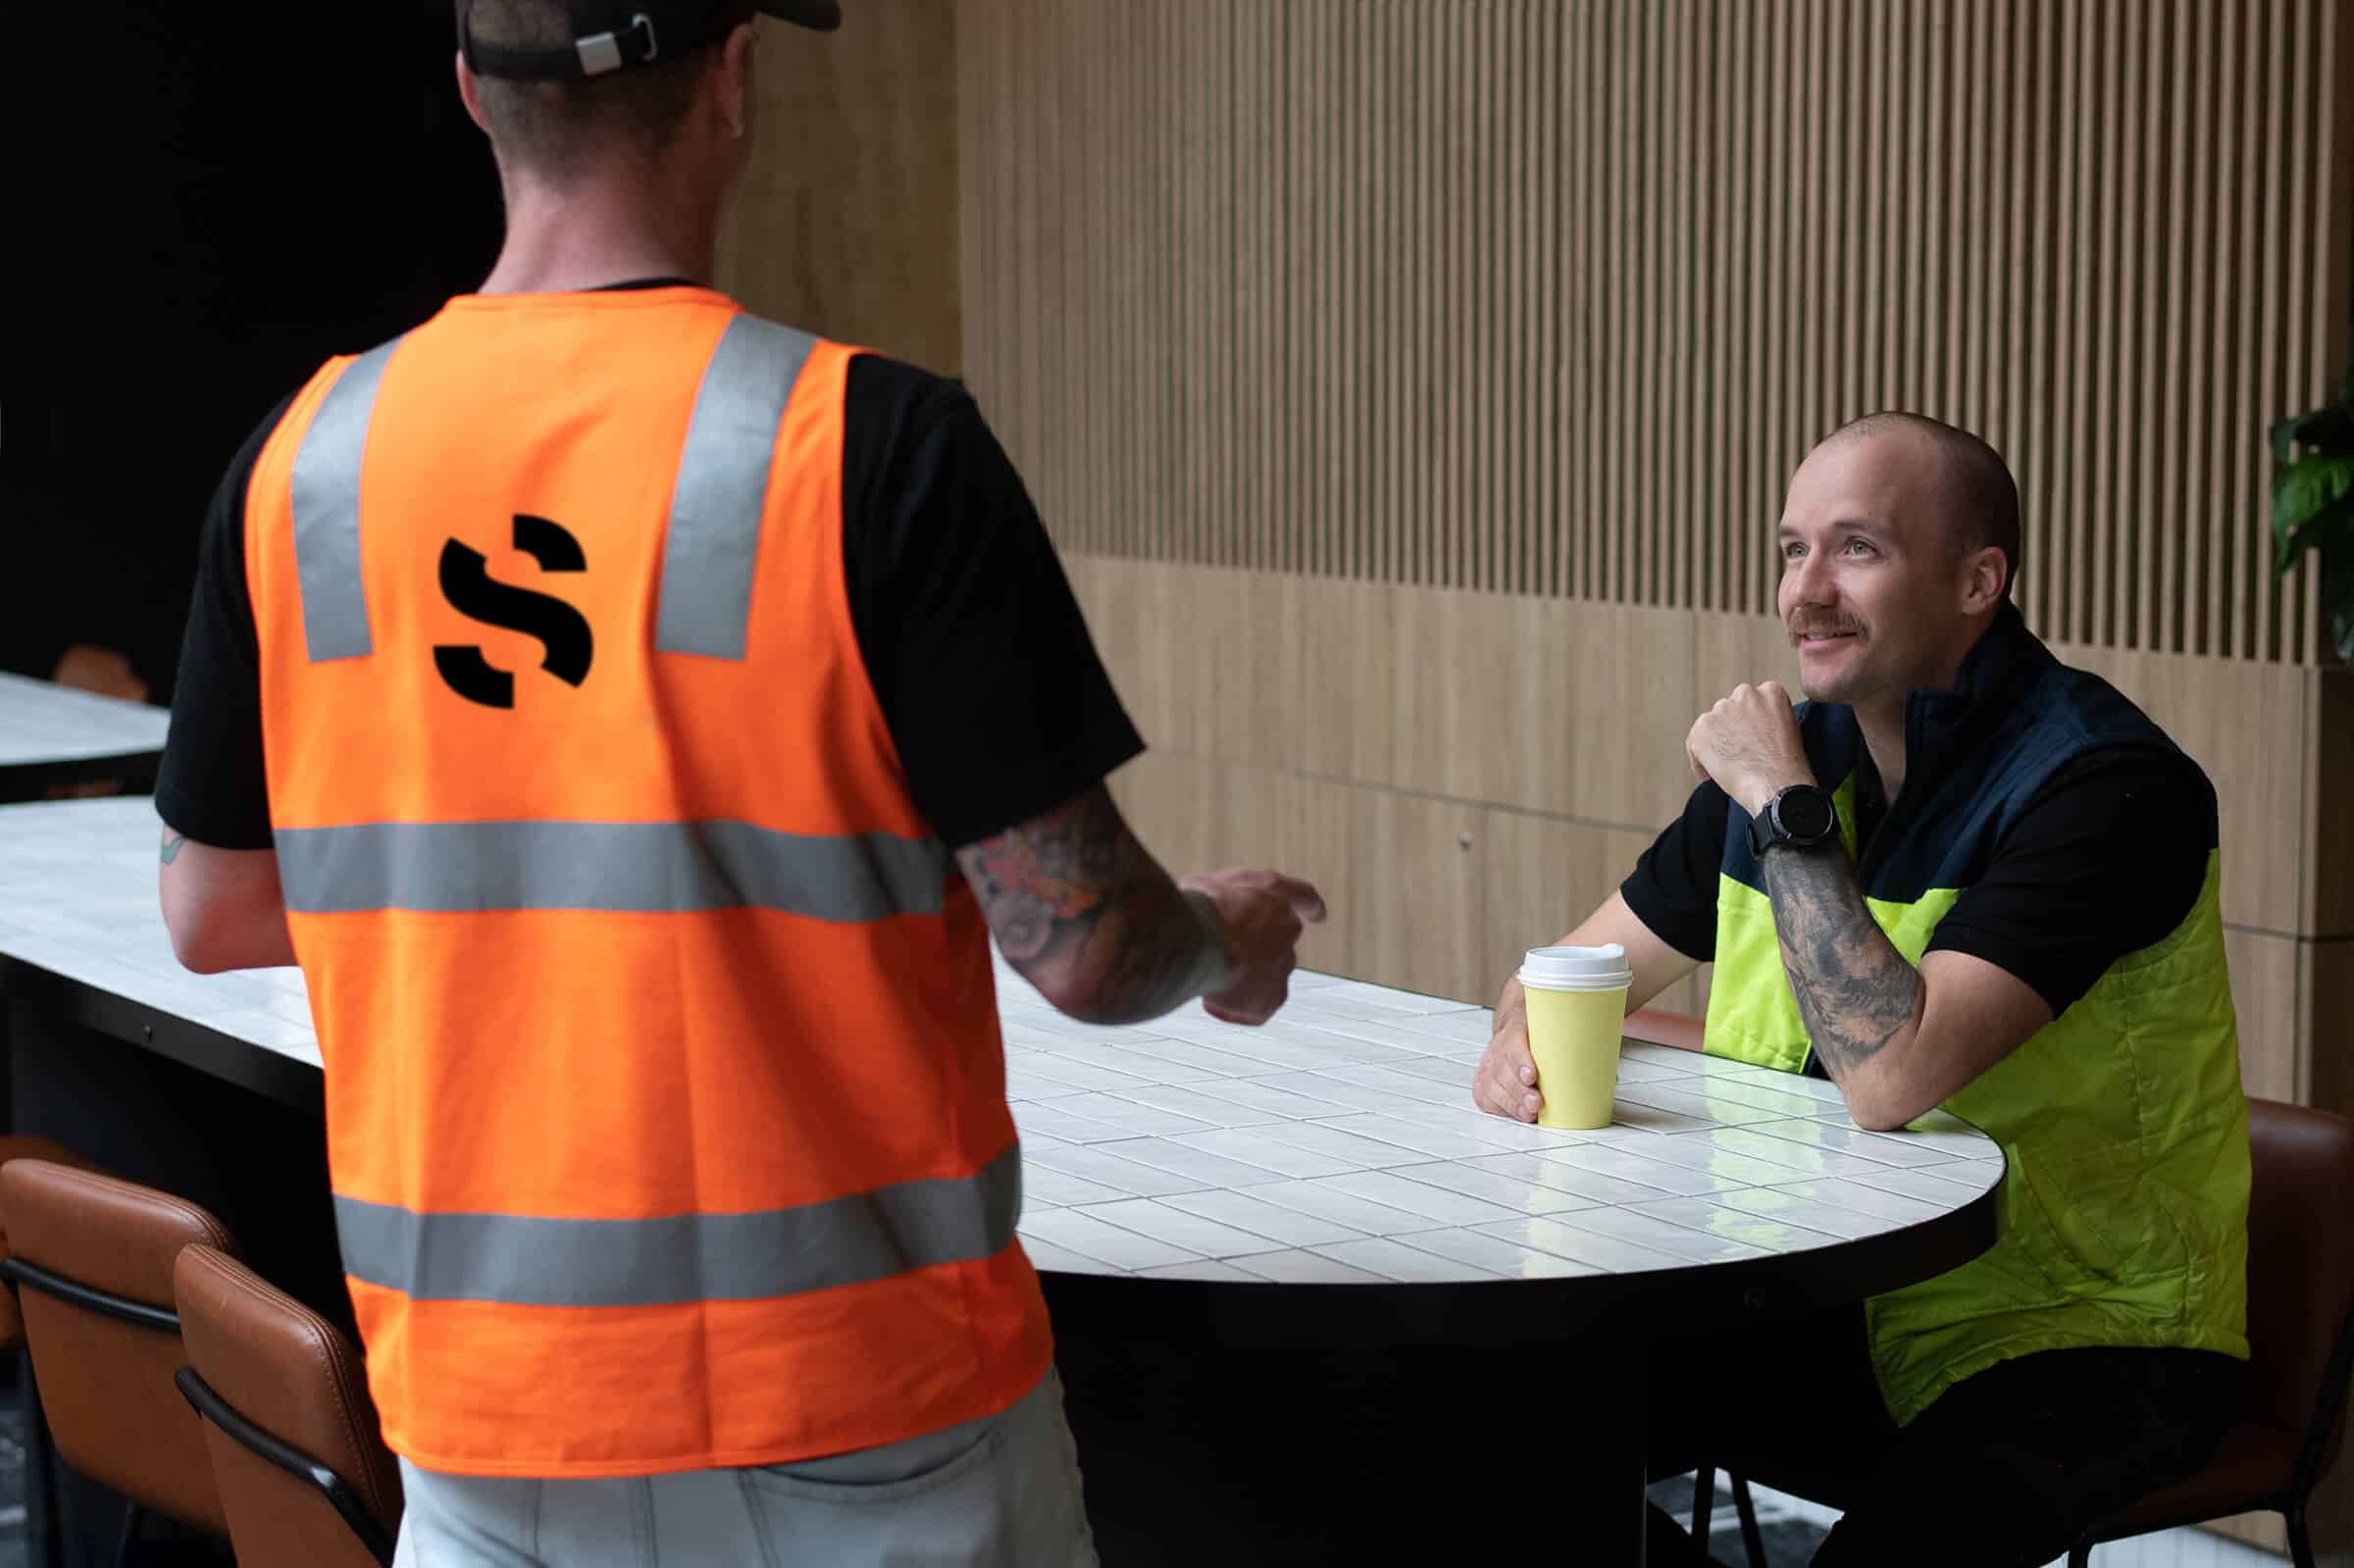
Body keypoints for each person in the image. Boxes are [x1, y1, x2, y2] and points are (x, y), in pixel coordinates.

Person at [154, 3, 1325, 1563]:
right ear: (731, 80)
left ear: (473, 96)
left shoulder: (304, 463)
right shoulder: (870, 447)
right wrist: (1228, 935)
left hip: (491, 1442)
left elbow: (214, 908)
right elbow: (1089, 945)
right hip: (869, 1433)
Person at [1473, 413, 2250, 1567]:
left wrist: (1783, 811)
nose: (1806, 591)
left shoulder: (2105, 787)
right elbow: (1561, 975)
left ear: (1979, 581)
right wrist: (1519, 1037)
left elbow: (1890, 1078)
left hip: (2073, 1330)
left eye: (1857, 548)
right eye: (1793, 550)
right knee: (1483, 1442)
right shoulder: (1802, 760)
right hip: (1819, 1293)